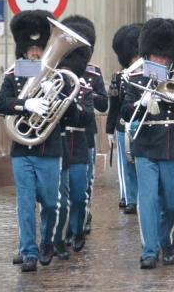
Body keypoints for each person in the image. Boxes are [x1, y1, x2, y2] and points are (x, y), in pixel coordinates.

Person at [0, 11, 79, 272]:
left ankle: (48, 242)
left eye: (38, 49)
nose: (34, 54)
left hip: (49, 148)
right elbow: (0, 103)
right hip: (22, 150)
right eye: (30, 49)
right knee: (26, 203)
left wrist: (59, 93)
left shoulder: (61, 77)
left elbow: (74, 116)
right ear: (23, 50)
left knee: (52, 203)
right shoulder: (14, 74)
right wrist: (25, 103)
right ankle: (29, 251)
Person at [120, 18, 174, 269]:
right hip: (146, 145)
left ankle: (169, 240)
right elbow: (124, 111)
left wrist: (172, 95)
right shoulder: (135, 77)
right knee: (148, 199)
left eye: (164, 57)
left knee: (172, 202)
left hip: (172, 145)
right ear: (147, 53)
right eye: (155, 55)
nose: (159, 60)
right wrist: (140, 102)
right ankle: (150, 249)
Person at [61, 15, 109, 235]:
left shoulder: (93, 72)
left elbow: (103, 103)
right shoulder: (58, 72)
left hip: (86, 133)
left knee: (85, 181)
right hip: (62, 134)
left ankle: (83, 215)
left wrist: (86, 92)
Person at [106, 24, 141, 214]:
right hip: (123, 124)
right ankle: (130, 198)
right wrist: (109, 130)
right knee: (126, 166)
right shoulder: (120, 77)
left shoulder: (148, 75)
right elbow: (114, 106)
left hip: (143, 125)